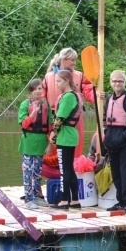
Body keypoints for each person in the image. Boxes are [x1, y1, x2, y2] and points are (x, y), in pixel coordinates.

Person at [42, 48, 95, 154]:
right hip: (54, 117)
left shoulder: (79, 76)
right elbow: (42, 96)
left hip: (73, 120)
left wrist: (97, 96)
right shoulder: (49, 77)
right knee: (53, 149)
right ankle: (55, 167)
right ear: (64, 60)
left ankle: (73, 165)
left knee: (73, 150)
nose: (75, 63)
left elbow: (89, 91)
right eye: (72, 60)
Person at [103, 70, 126, 213]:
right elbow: (105, 118)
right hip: (112, 141)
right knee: (116, 174)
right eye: (114, 81)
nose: (117, 83)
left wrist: (125, 136)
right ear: (110, 82)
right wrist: (107, 133)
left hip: (125, 143)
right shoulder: (109, 98)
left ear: (125, 82)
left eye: (120, 81)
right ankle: (120, 201)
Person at [49, 70, 83, 209]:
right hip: (70, 134)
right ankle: (75, 200)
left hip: (65, 135)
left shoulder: (69, 97)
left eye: (58, 81)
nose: (56, 84)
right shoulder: (73, 95)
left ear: (67, 81)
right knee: (69, 169)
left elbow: (60, 118)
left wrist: (53, 133)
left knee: (64, 170)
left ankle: (64, 200)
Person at [18, 79, 52, 209]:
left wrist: (50, 144)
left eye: (40, 89)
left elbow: (50, 126)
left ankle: (37, 197)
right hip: (28, 142)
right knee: (28, 171)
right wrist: (33, 112)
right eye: (36, 89)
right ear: (31, 91)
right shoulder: (25, 105)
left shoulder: (46, 105)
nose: (38, 91)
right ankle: (28, 198)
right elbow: (24, 124)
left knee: (38, 171)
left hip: (41, 141)